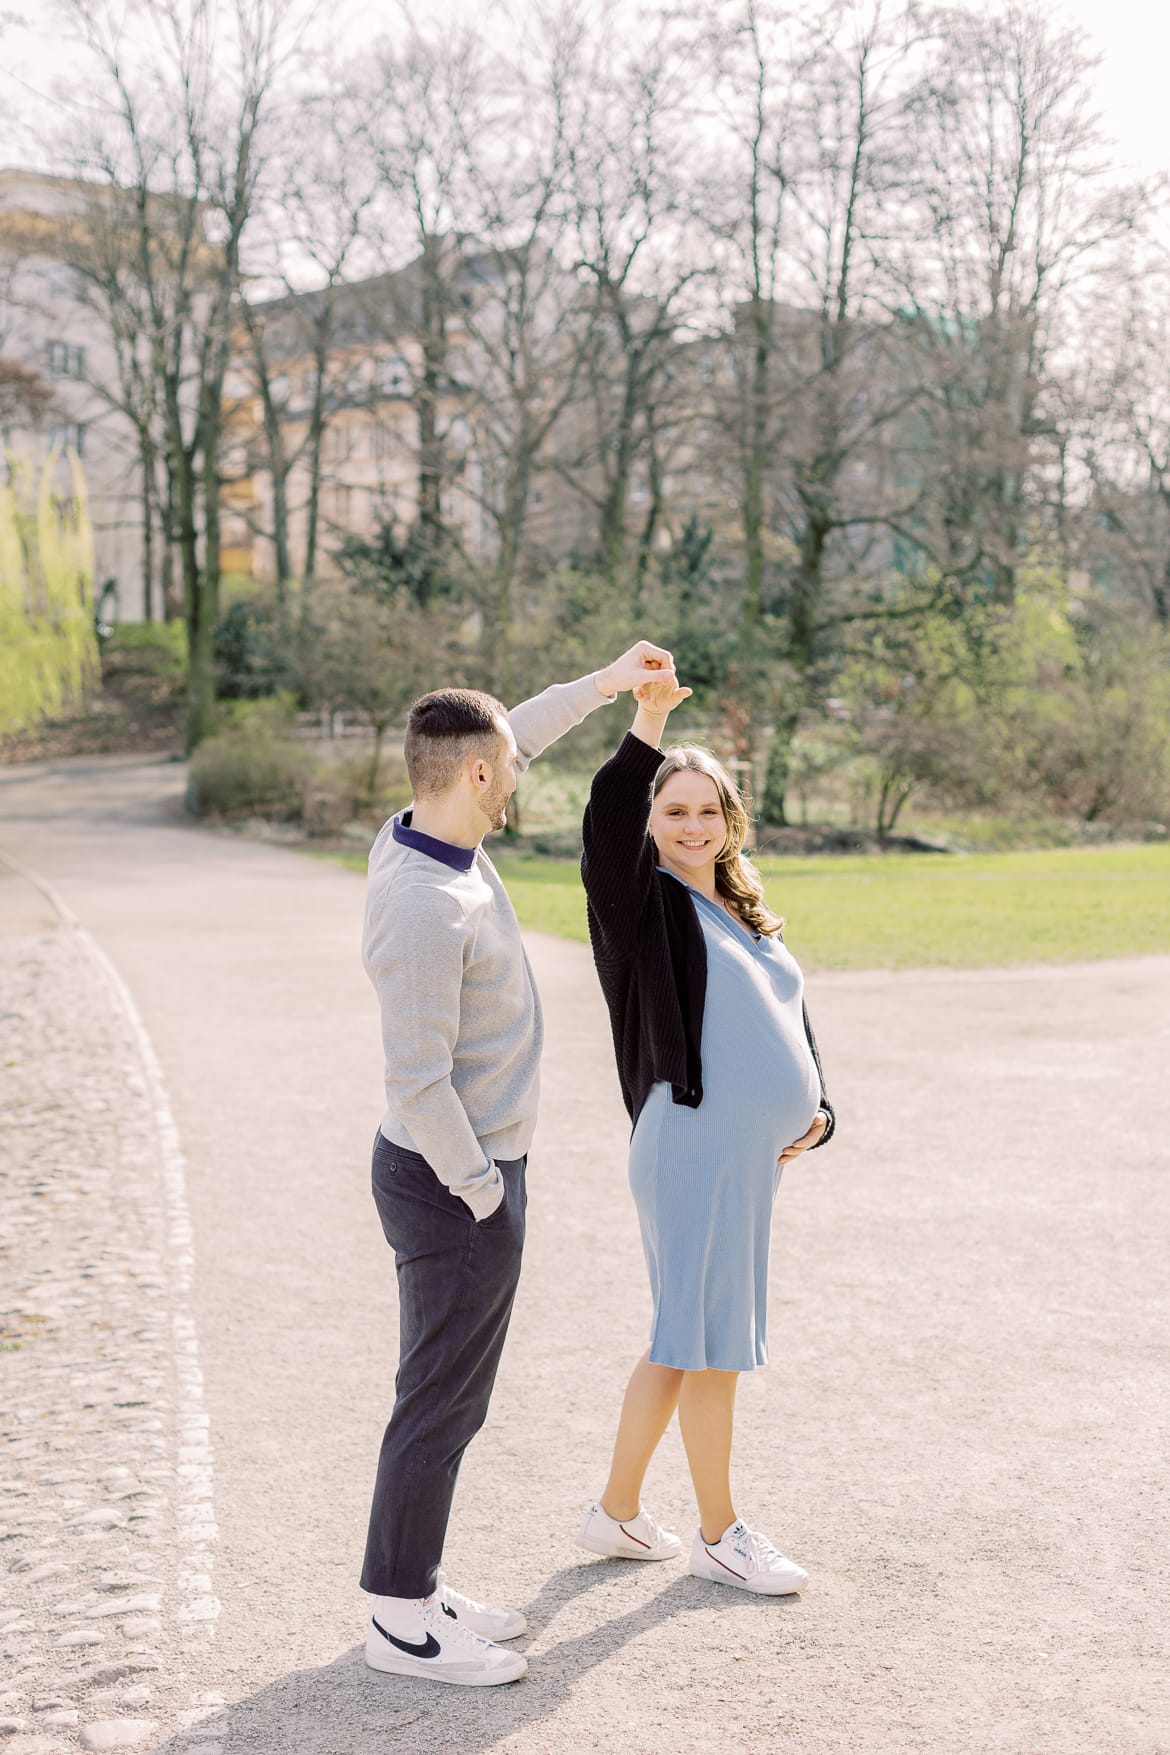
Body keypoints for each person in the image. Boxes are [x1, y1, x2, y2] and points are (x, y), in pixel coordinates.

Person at [360, 642, 677, 1688]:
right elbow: (417, 1082)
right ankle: (400, 1619)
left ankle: (418, 1580)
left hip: (474, 1177)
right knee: (438, 1399)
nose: (523, 770)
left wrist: (607, 684)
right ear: (479, 777)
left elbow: (519, 728)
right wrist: (487, 1192)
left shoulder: (432, 822)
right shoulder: (421, 903)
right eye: (511, 763)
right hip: (456, 1186)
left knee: (454, 1397)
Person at [576, 670, 836, 1595]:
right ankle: (722, 1532)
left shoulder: (742, 909)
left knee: (686, 1335)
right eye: (674, 810)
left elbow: (788, 1022)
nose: (691, 825)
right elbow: (604, 824)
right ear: (652, 821)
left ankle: (613, 1513)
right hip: (689, 1144)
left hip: (744, 1157)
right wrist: (649, 720)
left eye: (707, 811)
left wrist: (818, 1108)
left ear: (730, 820)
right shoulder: (642, 904)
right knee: (709, 1337)